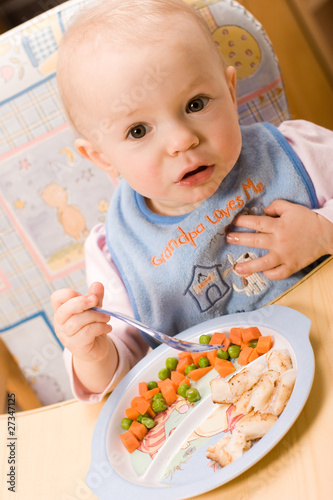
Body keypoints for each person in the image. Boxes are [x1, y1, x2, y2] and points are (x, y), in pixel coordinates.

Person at [51, 0, 333, 402]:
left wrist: (323, 233)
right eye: (138, 131)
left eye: (196, 104)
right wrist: (93, 353)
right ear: (102, 159)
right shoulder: (117, 253)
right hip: (229, 410)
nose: (182, 139)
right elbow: (126, 370)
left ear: (230, 91)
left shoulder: (294, 152)